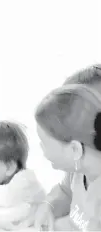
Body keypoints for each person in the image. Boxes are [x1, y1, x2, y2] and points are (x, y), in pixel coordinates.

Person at [34, 84, 101, 231]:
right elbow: (64, 192)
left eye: (44, 143)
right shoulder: (77, 171)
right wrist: (48, 206)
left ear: (74, 149)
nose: (41, 148)